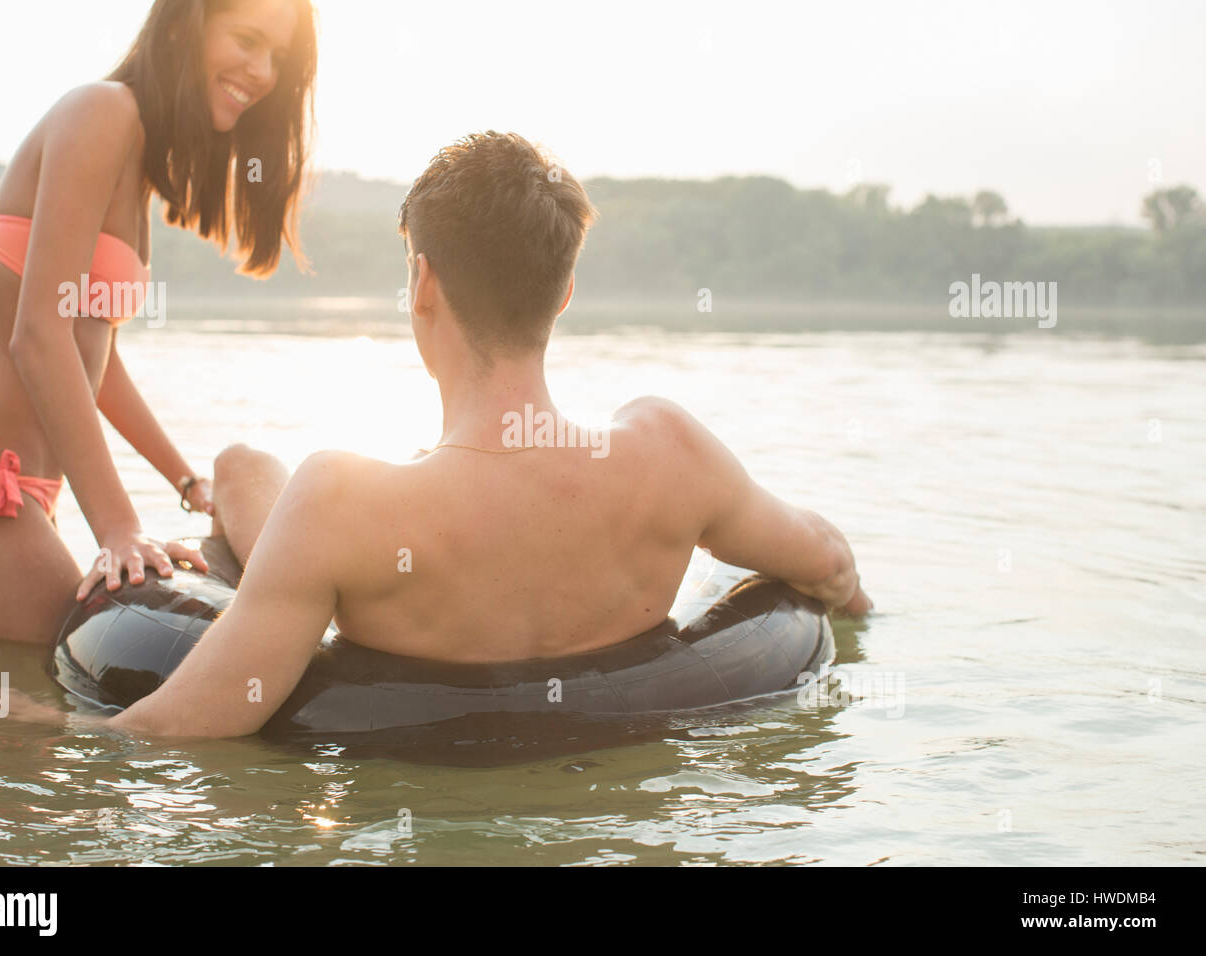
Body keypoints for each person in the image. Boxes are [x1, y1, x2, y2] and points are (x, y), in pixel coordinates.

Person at [103, 131, 872, 738]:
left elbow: (181, 726)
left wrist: (41, 726)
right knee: (242, 470)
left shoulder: (341, 506)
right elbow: (828, 563)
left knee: (245, 469)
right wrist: (854, 609)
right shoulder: (667, 453)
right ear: (564, 291)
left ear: (423, 283)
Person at [0, 0, 318, 643]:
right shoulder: (102, 112)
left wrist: (187, 482)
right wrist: (119, 530)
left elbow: (95, 361)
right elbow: (38, 336)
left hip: (16, 497)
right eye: (247, 38)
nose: (262, 70)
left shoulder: (136, 153)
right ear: (186, 21)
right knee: (70, 705)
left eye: (278, 58)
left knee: (22, 717)